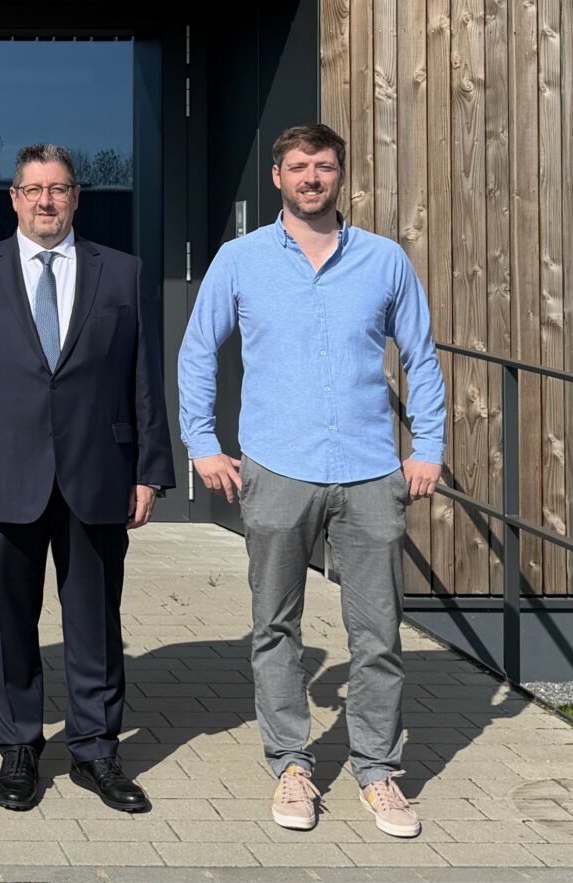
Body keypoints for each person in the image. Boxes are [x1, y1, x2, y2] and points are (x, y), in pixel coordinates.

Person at [177, 123, 445, 839]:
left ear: (340, 175)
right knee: (275, 626)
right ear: (277, 177)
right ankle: (292, 763)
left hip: (370, 472)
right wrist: (202, 443)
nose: (311, 178)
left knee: (378, 632)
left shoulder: (385, 261)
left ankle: (379, 771)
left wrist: (430, 445)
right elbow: (198, 349)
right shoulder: (241, 261)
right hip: (276, 467)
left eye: (324, 167)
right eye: (299, 167)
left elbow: (421, 355)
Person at [0, 144, 174, 816]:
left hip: (97, 472)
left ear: (76, 198)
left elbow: (142, 378)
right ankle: (19, 743)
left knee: (95, 620)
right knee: (8, 622)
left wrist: (150, 469)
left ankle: (96, 748)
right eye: (33, 189)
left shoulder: (120, 274)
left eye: (59, 188)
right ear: (11, 197)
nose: (46, 200)